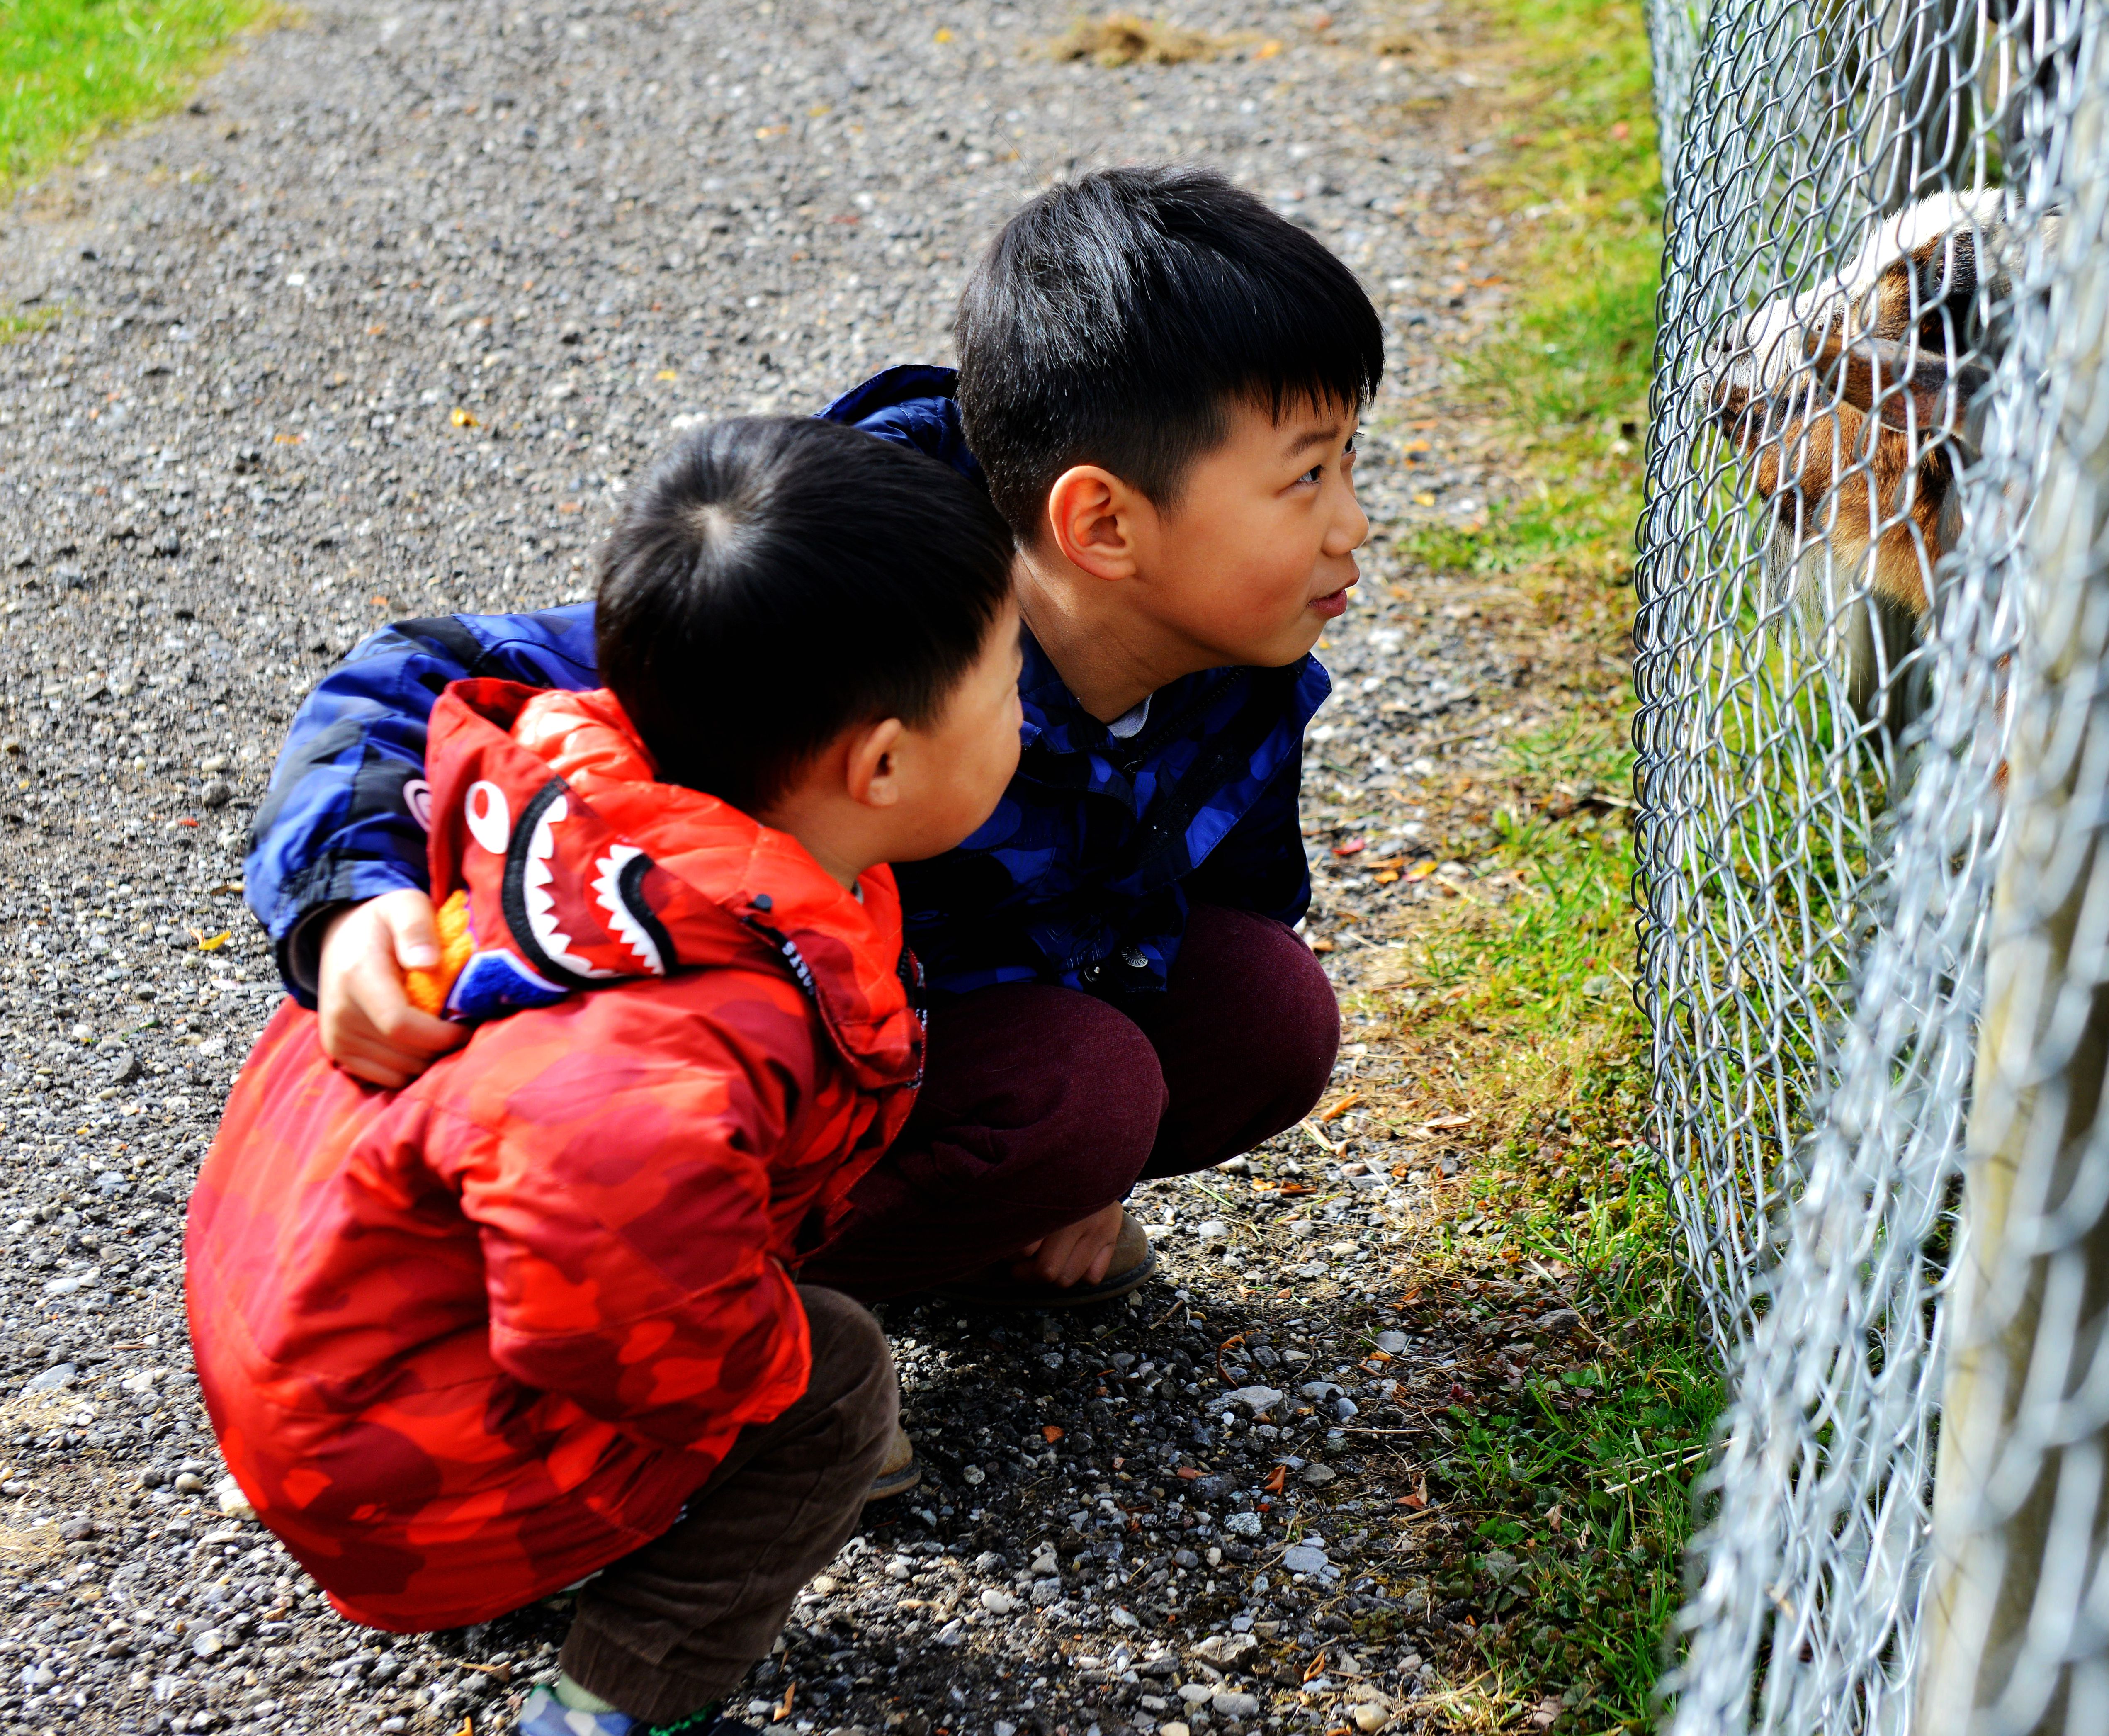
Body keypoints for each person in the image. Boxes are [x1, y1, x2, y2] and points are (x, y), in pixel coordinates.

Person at [240, 165, 1372, 1306]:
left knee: (1262, 1014)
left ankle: (932, 1240)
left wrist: (1084, 1174)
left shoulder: (1237, 667)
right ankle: (706, 1307)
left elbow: (1213, 907)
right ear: (1103, 523)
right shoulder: (852, 605)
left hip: (931, 1026)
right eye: (1308, 476)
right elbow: (417, 675)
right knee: (1085, 1092)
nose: (1352, 524)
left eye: (1350, 462)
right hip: (721, 1053)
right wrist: (353, 901)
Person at [187, 417, 1023, 1736]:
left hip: (311, 1338)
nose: (1022, 715)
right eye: (1007, 688)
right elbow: (607, 1309)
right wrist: (754, 1364)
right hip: (386, 1462)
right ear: (881, 764)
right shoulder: (680, 1016)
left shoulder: (571, 799)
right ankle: (615, 1697)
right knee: (837, 1388)